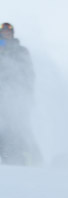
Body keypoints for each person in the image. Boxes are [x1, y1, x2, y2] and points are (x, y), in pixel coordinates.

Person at [0, 22, 39, 165]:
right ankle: (9, 156)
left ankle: (28, 157)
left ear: (12, 34)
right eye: (3, 32)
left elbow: (29, 72)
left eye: (8, 32)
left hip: (16, 95)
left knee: (18, 127)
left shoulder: (20, 51)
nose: (6, 34)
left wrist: (27, 92)